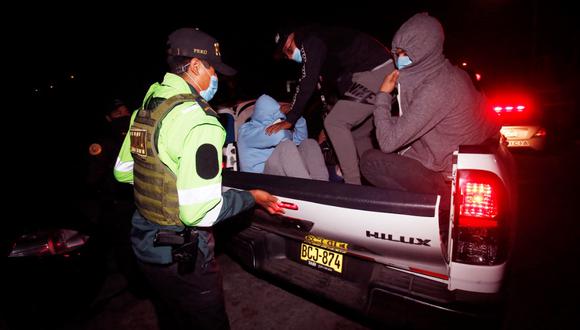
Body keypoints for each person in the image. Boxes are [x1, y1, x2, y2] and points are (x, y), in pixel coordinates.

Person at [113, 27, 283, 330]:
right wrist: (250, 198)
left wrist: (167, 186)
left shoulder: (149, 106)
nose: (216, 77)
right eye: (213, 69)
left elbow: (124, 171)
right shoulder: (199, 122)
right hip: (184, 257)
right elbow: (199, 211)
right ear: (194, 66)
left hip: (144, 247)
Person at [360, 13, 500, 212]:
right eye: (397, 53)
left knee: (370, 161)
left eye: (403, 53)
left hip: (446, 175)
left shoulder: (436, 87)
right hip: (455, 158)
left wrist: (382, 95)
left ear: (424, 50)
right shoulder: (451, 72)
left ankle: (441, 203)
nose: (398, 59)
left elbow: (387, 142)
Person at [270, 24, 395, 184]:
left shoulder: (310, 40)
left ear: (291, 38)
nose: (288, 57)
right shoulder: (325, 50)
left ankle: (353, 187)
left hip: (377, 71)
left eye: (287, 51)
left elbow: (307, 81)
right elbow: (339, 88)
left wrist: (291, 118)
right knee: (357, 133)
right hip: (368, 74)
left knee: (335, 123)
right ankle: (375, 181)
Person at [238, 94, 328, 180]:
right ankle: (306, 189)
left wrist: (295, 115)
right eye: (276, 114)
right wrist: (282, 116)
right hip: (259, 180)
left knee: (309, 143)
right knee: (286, 146)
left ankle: (321, 185)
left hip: (276, 174)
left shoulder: (276, 126)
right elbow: (280, 136)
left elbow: (301, 140)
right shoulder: (246, 130)